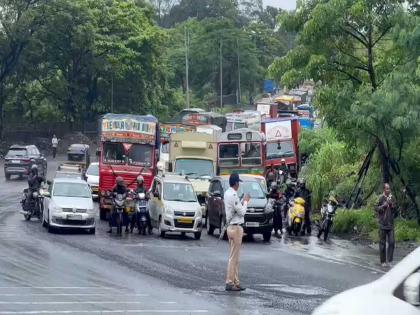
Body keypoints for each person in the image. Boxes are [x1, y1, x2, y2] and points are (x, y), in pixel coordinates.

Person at [224, 173, 250, 292]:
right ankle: (230, 282)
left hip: (230, 227)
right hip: (236, 227)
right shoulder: (233, 195)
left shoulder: (227, 193)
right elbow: (241, 212)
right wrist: (245, 201)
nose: (239, 184)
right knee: (234, 258)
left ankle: (236, 281)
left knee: (234, 256)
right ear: (236, 183)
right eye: (238, 182)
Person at [375, 183, 397, 267]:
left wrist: (392, 205)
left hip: (390, 224)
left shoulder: (392, 198)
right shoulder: (380, 198)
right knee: (382, 244)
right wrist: (383, 205)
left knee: (392, 242)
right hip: (382, 224)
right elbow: (376, 209)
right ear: (384, 189)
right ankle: (383, 261)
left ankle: (389, 260)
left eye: (389, 188)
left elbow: (396, 210)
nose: (388, 190)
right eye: (387, 189)